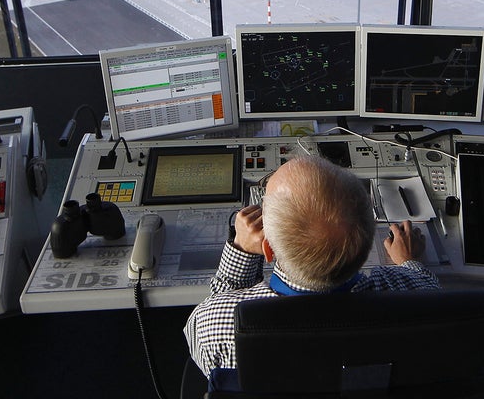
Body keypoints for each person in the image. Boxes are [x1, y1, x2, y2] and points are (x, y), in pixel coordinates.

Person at [183, 154, 440, 376]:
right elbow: (425, 281)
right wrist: (409, 260)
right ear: (368, 242)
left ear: (268, 250)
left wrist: (241, 250)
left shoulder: (213, 324)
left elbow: (218, 311)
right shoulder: (418, 294)